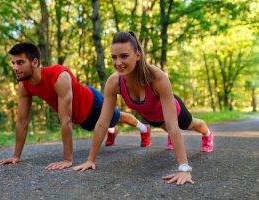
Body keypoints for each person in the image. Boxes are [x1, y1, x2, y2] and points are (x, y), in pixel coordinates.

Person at [73, 31, 214, 185]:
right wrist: (90, 160)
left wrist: (184, 169)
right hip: (150, 116)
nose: (118, 62)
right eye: (114, 57)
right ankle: (170, 135)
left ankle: (207, 133)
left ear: (138, 55)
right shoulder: (114, 82)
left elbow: (173, 126)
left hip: (173, 111)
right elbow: (102, 123)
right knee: (163, 125)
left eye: (124, 56)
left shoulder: (158, 78)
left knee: (191, 125)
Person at [0, 42, 151, 170]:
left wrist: (67, 159)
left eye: (20, 62)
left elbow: (65, 119)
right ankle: (112, 130)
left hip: (93, 104)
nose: (15, 67)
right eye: (13, 63)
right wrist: (16, 156)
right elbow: (22, 121)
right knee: (95, 126)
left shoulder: (58, 76)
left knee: (118, 117)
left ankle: (144, 129)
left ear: (34, 62)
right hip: (80, 117)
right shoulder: (24, 86)